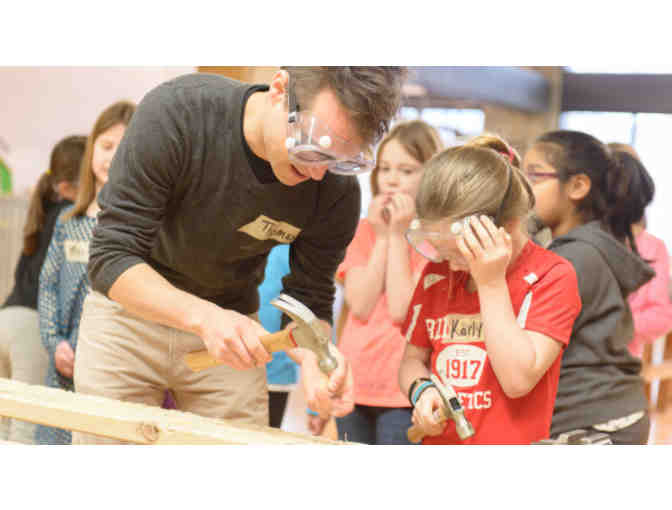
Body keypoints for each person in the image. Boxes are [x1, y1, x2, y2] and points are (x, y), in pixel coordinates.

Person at [72, 67, 407, 444]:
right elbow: (111, 256)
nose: (317, 173)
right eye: (312, 145)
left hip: (233, 330)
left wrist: (315, 356)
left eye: (337, 161)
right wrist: (204, 318)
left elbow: (309, 299)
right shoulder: (179, 112)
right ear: (280, 90)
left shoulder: (336, 191)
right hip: (131, 313)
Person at [398, 134, 581, 445]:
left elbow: (517, 380)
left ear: (508, 227)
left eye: (459, 252)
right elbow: (411, 360)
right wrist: (422, 390)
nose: (451, 265)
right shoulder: (438, 272)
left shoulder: (551, 276)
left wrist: (490, 282)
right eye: (441, 252)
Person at [523, 130, 654, 444]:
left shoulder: (576, 257)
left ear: (578, 186)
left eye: (535, 177)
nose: (523, 189)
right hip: (604, 412)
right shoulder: (584, 246)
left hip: (592, 420)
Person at [325, 120, 442, 444]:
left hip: (402, 391)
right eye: (385, 168)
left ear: (430, 174)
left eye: (406, 170)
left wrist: (397, 235)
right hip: (356, 380)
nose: (391, 179)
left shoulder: (437, 238)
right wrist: (383, 236)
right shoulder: (364, 229)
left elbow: (403, 309)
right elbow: (360, 304)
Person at [35, 101, 135, 444]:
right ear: (92, 149)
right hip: (61, 362)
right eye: (106, 146)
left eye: (123, 148)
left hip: (109, 365)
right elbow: (48, 285)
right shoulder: (68, 221)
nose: (112, 157)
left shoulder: (137, 226)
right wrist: (55, 343)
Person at [0, 135, 86, 444]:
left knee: (4, 426)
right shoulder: (71, 220)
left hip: (6, 317)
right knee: (25, 431)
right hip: (31, 329)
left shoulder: (42, 210)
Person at [606, 143, 672, 358]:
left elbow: (660, 316)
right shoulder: (579, 241)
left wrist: (609, 328)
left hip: (620, 364)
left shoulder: (653, 247)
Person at [257, 243, 298, 428]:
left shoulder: (293, 253)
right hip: (234, 366)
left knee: (267, 437)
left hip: (277, 373)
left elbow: (316, 314)